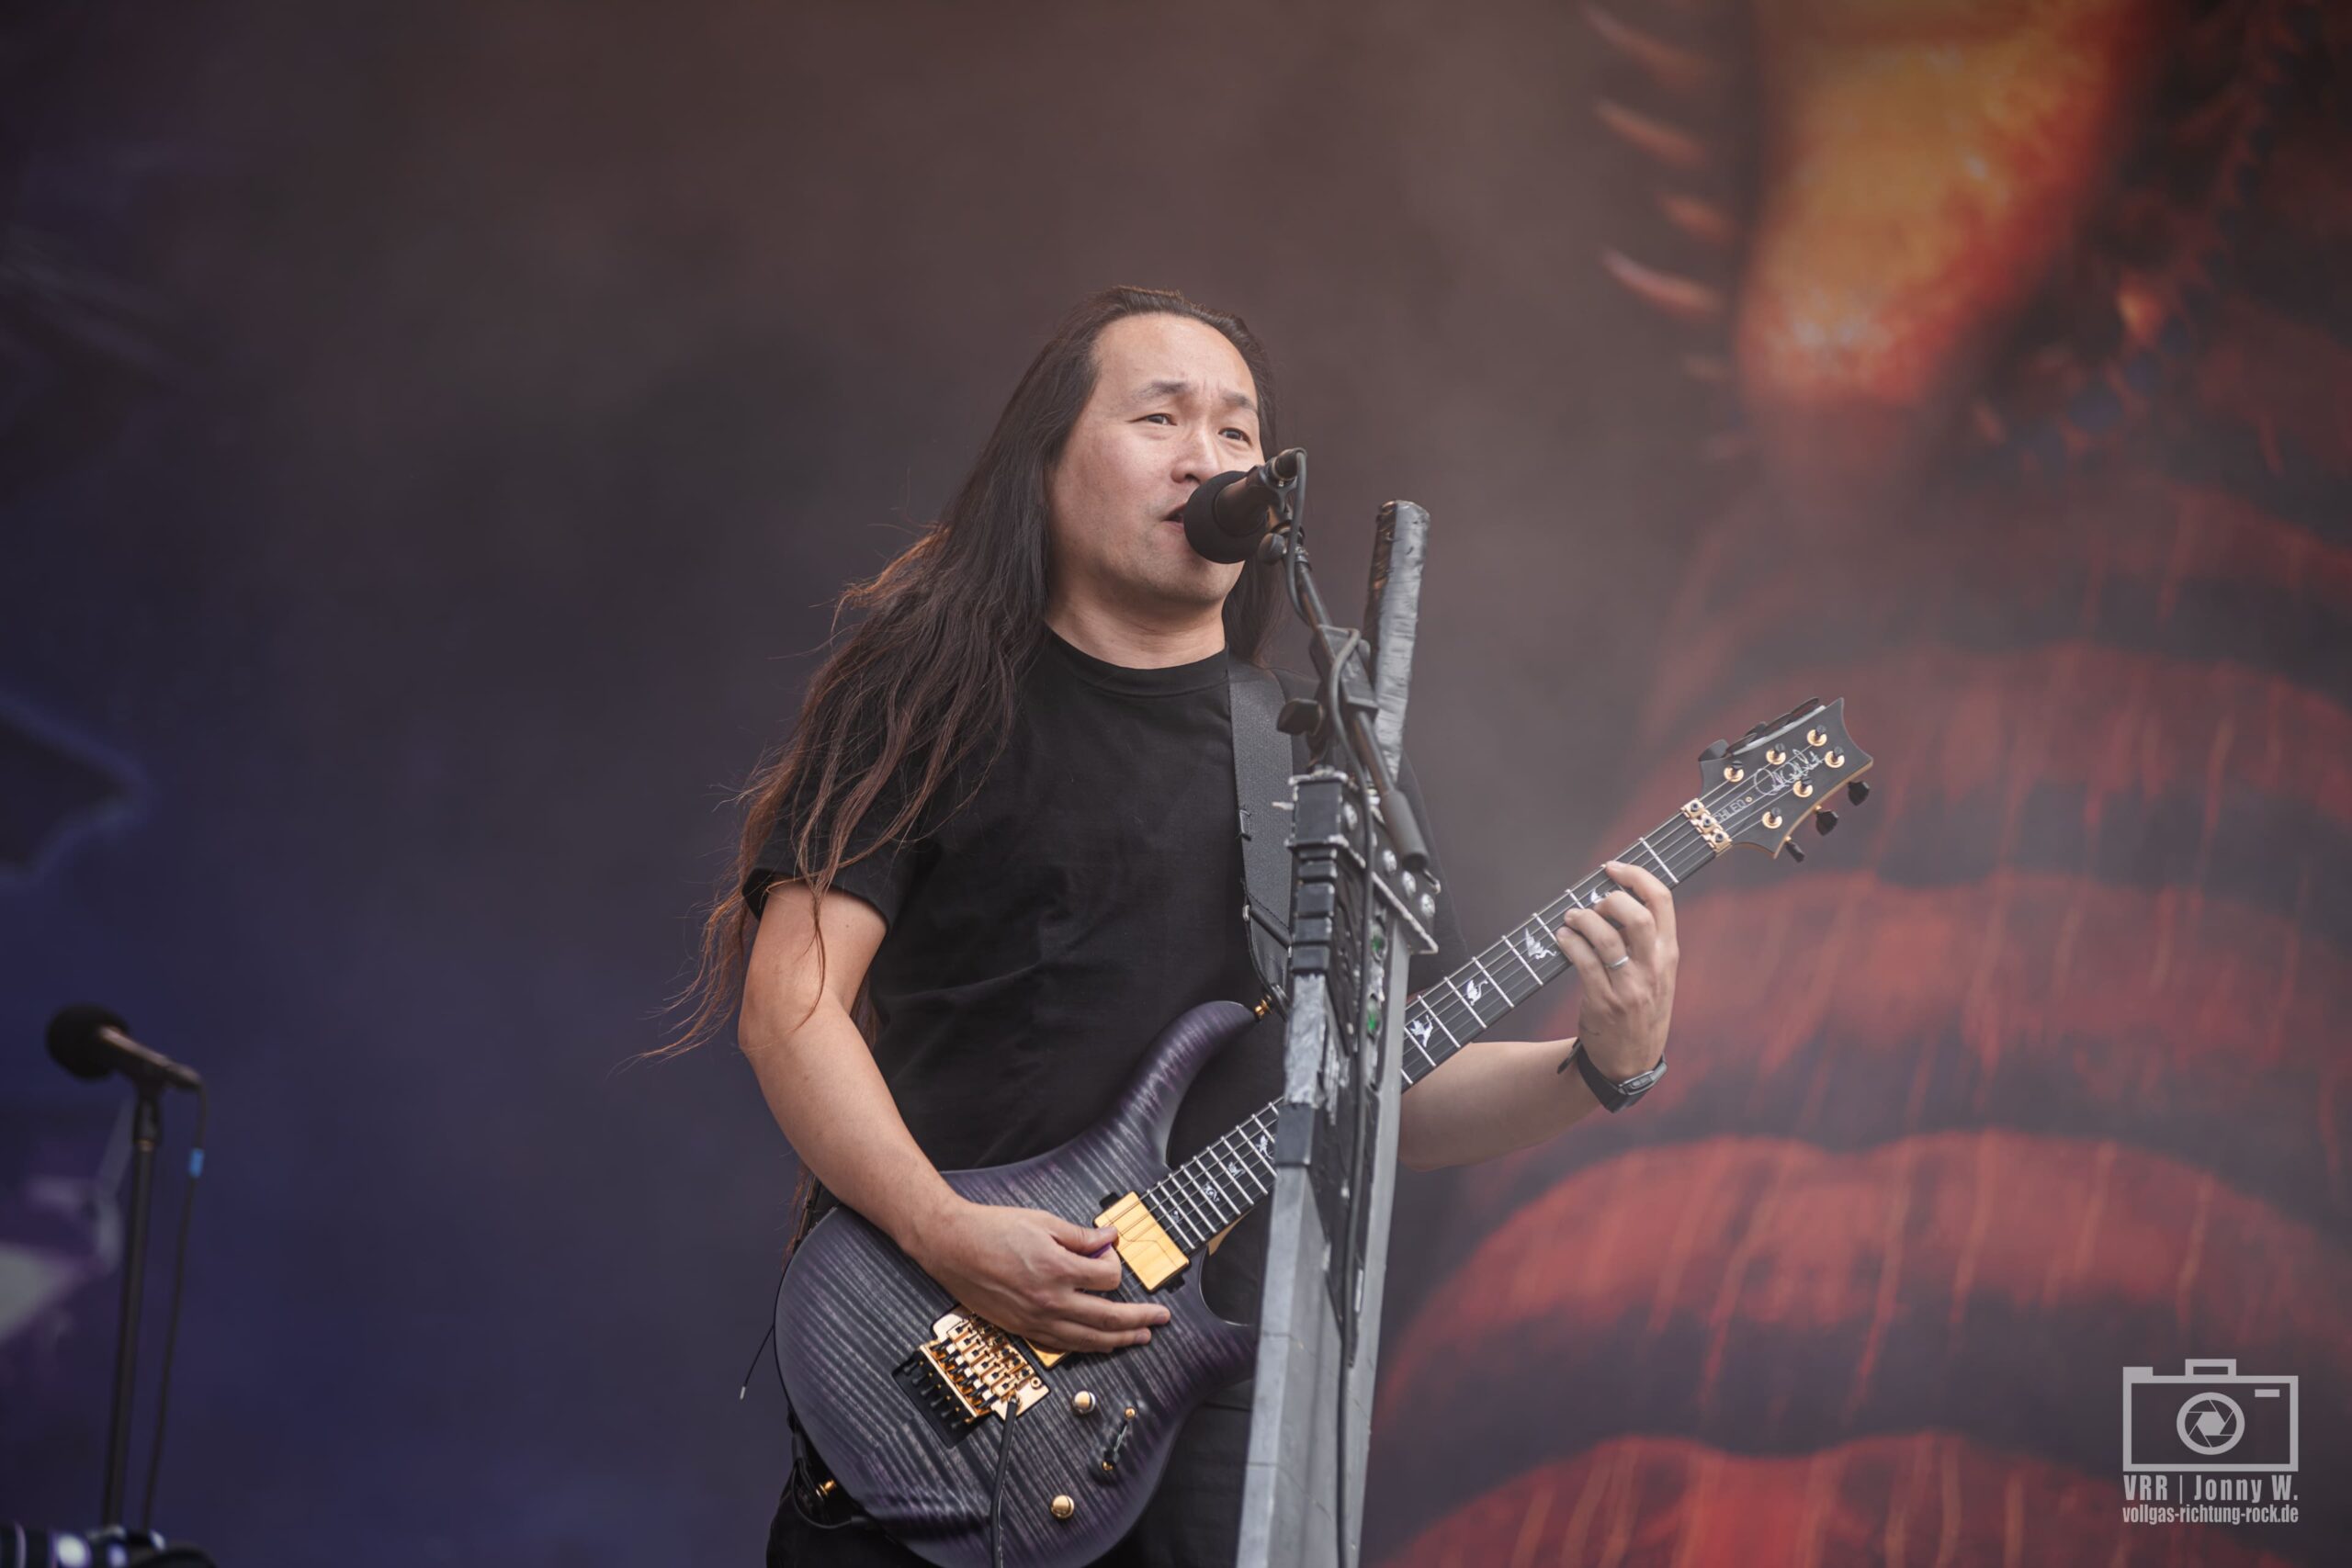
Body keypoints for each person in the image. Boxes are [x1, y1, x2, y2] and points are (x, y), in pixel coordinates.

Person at [684, 285, 1680, 1565]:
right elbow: (790, 1004)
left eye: (1237, 431)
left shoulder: (1318, 760)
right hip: (936, 1358)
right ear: (1045, 467)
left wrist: (1603, 1065)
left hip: (1202, 1430)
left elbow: (1372, 1102)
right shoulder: (929, 696)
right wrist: (947, 1233)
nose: (1208, 459)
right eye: (1160, 418)